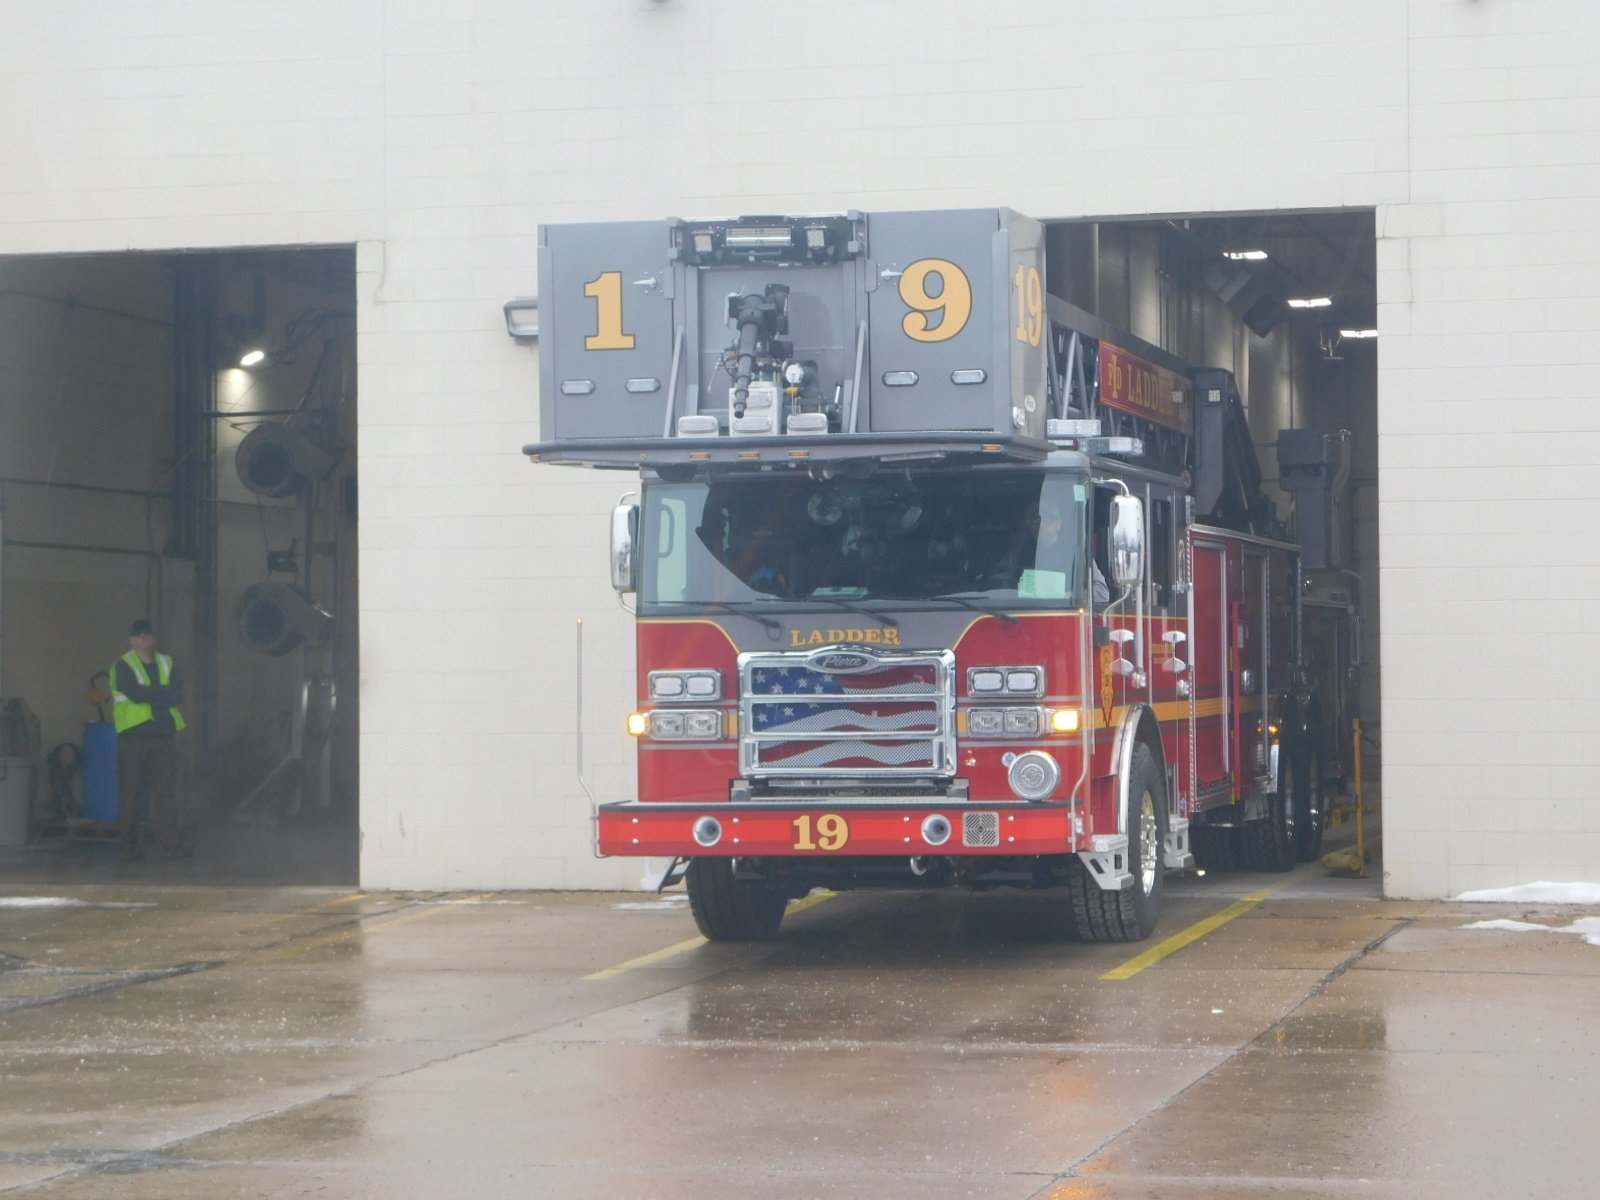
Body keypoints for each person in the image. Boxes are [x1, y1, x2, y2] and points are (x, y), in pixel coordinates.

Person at [109, 619, 190, 860]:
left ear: (153, 637)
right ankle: (128, 846)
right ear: (131, 639)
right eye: (139, 635)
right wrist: (162, 693)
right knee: (131, 791)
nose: (144, 638)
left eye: (147, 634)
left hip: (163, 736)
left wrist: (151, 694)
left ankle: (172, 846)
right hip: (135, 737)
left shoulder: (167, 662)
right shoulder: (123, 665)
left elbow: (178, 694)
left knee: (166, 792)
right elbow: (134, 693)